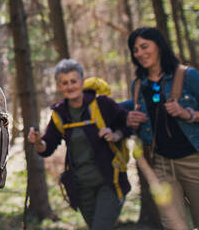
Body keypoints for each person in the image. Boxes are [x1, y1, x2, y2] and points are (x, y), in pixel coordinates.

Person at [28, 59, 131, 229]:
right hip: (81, 188)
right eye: (65, 83)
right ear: (59, 86)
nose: (70, 86)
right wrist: (38, 142)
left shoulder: (102, 104)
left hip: (110, 182)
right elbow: (47, 147)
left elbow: (127, 123)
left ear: (82, 82)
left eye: (73, 81)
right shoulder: (59, 114)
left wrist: (115, 134)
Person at [126, 26, 199, 229]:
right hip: (161, 165)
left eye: (144, 46)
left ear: (159, 45)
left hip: (194, 161)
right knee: (173, 224)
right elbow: (144, 124)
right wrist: (132, 121)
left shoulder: (188, 76)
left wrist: (188, 114)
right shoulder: (138, 85)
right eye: (135, 50)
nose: (140, 53)